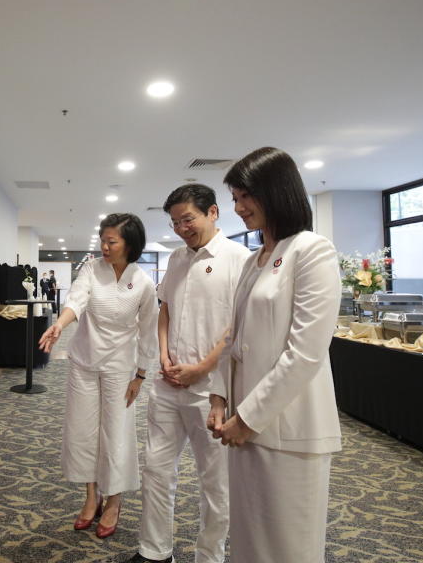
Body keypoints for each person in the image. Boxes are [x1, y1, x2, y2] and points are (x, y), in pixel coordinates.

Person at [213, 147, 342, 562]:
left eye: (245, 196)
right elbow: (234, 337)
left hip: (287, 426)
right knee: (250, 541)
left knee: (289, 547)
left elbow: (306, 351)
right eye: (234, 198)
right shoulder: (255, 260)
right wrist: (219, 397)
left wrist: (250, 417)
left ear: (276, 191)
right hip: (243, 422)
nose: (239, 207)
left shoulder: (312, 250)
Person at [129, 185, 250, 563]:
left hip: (211, 390)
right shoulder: (177, 259)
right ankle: (154, 551)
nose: (182, 228)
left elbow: (237, 327)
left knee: (215, 483)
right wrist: (163, 355)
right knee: (155, 470)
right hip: (168, 386)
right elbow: (165, 310)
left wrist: (202, 367)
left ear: (213, 212)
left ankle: (208, 557)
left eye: (188, 219)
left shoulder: (239, 260)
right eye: (176, 222)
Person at [38, 213, 158, 539]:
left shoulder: (143, 283)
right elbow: (77, 298)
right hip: (85, 363)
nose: (104, 246)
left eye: (111, 241)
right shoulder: (91, 268)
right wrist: (60, 324)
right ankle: (92, 496)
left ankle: (115, 499)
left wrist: (141, 376)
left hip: (121, 368)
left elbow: (149, 333)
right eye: (103, 240)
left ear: (129, 244)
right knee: (83, 432)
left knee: (116, 433)